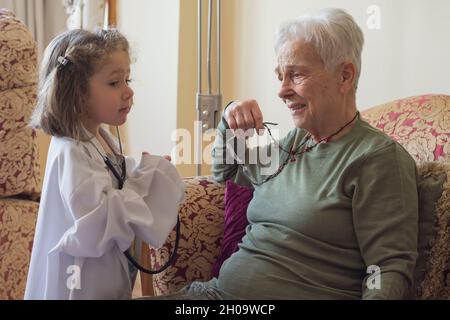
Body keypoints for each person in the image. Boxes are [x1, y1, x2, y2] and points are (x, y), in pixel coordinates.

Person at [154, 8, 419, 300]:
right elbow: (226, 173)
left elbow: (388, 268)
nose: (282, 91)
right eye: (280, 76)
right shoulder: (296, 142)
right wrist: (229, 118)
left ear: (345, 76)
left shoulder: (376, 158)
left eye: (296, 75)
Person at [25, 29, 185, 299]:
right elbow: (96, 222)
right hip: (78, 285)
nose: (129, 91)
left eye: (127, 79)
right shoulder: (71, 150)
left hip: (106, 278)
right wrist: (144, 184)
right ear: (77, 92)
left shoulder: (99, 136)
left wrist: (146, 174)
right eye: (114, 83)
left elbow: (114, 178)